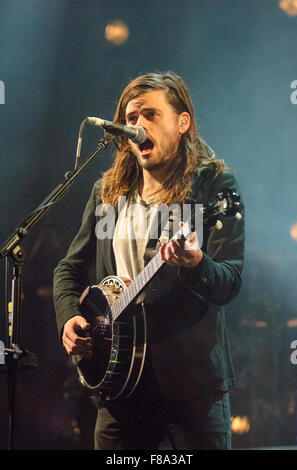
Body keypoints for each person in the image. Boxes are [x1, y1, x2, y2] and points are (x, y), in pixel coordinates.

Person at [53, 72, 244, 450]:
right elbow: (68, 269)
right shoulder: (107, 192)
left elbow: (229, 281)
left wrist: (196, 263)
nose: (137, 126)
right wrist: (69, 316)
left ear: (182, 122)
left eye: (151, 115)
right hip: (118, 384)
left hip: (190, 390)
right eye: (132, 117)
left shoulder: (213, 187)